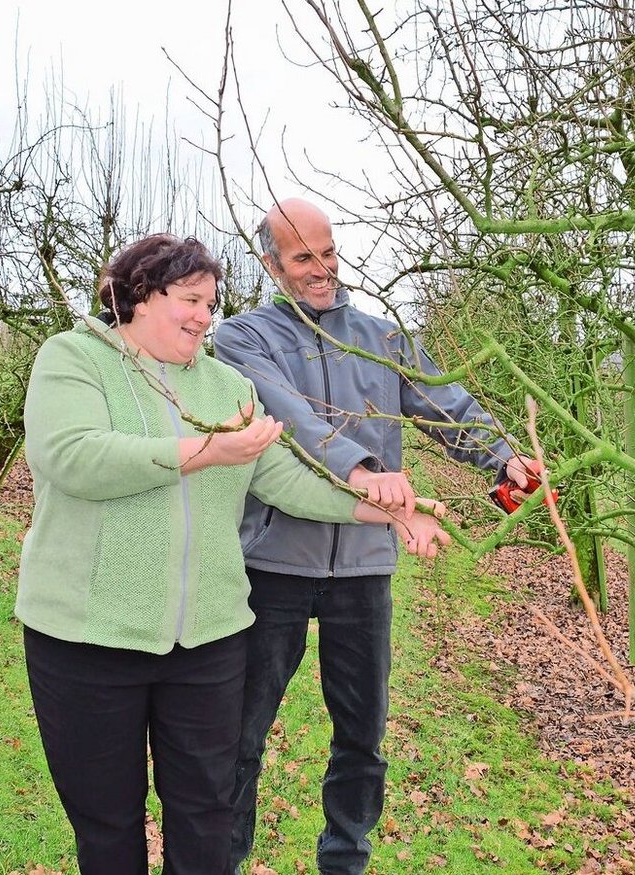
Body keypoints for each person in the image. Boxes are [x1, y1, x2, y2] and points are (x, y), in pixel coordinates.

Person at [15, 233, 449, 875]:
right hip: (88, 638)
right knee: (107, 821)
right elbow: (74, 458)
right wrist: (206, 453)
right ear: (135, 296)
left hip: (209, 642)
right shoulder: (74, 360)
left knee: (207, 814)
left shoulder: (227, 387)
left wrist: (382, 509)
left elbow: (283, 479)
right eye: (188, 300)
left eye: (210, 303)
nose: (202, 316)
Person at [215, 199, 540, 874]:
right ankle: (220, 859)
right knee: (239, 735)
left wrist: (503, 455)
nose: (322, 268)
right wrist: (362, 471)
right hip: (273, 562)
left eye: (329, 252)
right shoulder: (244, 338)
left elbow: (446, 404)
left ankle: (345, 860)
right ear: (272, 265)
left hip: (363, 568)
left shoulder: (382, 339)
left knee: (362, 738)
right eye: (304, 257)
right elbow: (290, 414)